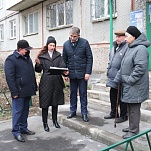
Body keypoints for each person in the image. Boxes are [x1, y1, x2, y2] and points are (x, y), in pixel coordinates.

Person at [114, 26, 150, 139]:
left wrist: (130, 80)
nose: (125, 39)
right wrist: (117, 78)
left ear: (134, 37)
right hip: (129, 84)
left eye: (127, 36)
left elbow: (140, 68)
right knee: (130, 107)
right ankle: (131, 127)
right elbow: (124, 64)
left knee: (134, 108)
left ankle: (134, 131)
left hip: (135, 85)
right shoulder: (130, 47)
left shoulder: (141, 49)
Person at [4, 40, 37, 142]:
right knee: (17, 112)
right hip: (18, 91)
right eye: (26, 49)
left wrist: (34, 86)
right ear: (20, 49)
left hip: (27, 90)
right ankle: (16, 132)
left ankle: (23, 128)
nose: (27, 51)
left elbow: (32, 73)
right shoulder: (11, 60)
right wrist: (14, 92)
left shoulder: (27, 59)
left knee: (25, 110)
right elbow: (10, 77)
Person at [35, 36, 67, 131]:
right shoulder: (42, 56)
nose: (52, 47)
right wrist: (37, 64)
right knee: (45, 103)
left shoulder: (58, 55)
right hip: (46, 81)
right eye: (50, 45)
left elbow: (62, 66)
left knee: (55, 103)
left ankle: (55, 121)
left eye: (54, 45)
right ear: (47, 45)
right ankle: (45, 123)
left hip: (57, 81)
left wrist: (65, 72)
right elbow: (38, 70)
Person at [62, 26, 93, 122]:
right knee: (72, 93)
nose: (72, 38)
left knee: (83, 93)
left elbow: (89, 58)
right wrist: (65, 73)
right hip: (71, 74)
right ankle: (72, 111)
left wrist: (88, 72)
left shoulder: (84, 43)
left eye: (74, 36)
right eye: (71, 36)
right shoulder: (66, 44)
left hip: (83, 74)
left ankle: (84, 112)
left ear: (78, 36)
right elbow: (64, 60)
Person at [104, 30, 128, 123]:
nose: (117, 38)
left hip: (121, 76)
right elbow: (111, 59)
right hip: (112, 76)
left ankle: (123, 115)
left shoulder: (126, 47)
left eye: (119, 37)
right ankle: (114, 112)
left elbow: (125, 63)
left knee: (121, 97)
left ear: (124, 37)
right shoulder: (114, 47)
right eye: (116, 36)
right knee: (113, 95)